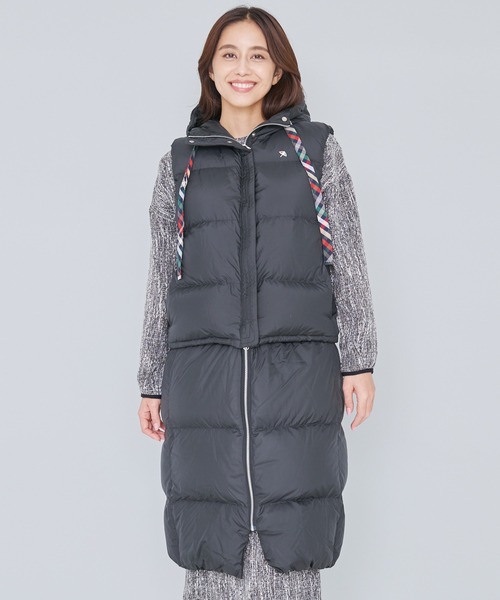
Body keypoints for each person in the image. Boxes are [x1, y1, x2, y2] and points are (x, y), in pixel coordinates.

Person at [137, 6, 377, 600]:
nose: (241, 68)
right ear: (209, 69)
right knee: (210, 533)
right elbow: (161, 276)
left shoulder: (315, 151)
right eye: (229, 54)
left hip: (297, 374)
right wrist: (150, 380)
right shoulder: (181, 163)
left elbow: (348, 255)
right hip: (203, 375)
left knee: (292, 532)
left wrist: (359, 360)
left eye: (257, 55)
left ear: (277, 71)